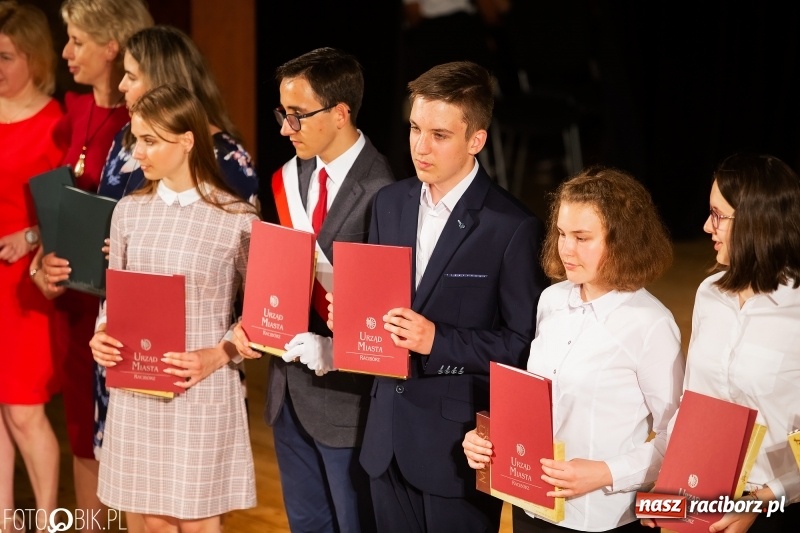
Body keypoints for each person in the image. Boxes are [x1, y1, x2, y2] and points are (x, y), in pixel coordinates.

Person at [341, 60, 547, 533]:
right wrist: (350, 317)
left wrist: (438, 341)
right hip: (384, 440)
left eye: (439, 135)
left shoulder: (512, 227)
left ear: (476, 140)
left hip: (456, 450)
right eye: (415, 128)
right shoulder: (389, 203)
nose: (420, 146)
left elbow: (523, 346)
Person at [463, 167, 684, 533]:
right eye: (562, 234)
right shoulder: (551, 300)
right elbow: (537, 405)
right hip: (530, 505)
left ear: (623, 240)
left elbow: (676, 437)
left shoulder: (651, 324)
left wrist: (605, 473)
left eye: (582, 238)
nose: (566, 249)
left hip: (599, 518)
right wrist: (488, 437)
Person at [231, 47, 394, 533]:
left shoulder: (386, 192)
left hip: (347, 400)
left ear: (340, 113)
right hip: (287, 393)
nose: (286, 129)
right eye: (283, 114)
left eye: (298, 115)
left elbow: (387, 312)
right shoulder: (288, 178)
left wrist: (336, 349)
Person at [89, 84, 258, 532]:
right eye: (136, 139)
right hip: (137, 387)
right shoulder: (128, 211)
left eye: (150, 140)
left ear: (187, 140)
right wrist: (102, 334)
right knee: (152, 522)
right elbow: (114, 298)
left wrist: (219, 354)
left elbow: (262, 316)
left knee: (199, 523)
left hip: (202, 389)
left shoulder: (237, 218)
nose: (137, 152)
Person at [28, 0, 152, 523]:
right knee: (83, 437)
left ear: (112, 46)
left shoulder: (145, 122)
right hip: (74, 307)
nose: (65, 53)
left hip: (125, 309)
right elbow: (57, 210)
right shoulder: (73, 111)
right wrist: (41, 263)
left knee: (136, 449)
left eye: (77, 41)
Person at [655, 153, 800, 533]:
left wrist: (763, 499)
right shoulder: (709, 295)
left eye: (718, 215)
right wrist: (671, 481)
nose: (707, 226)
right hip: (707, 498)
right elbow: (694, 403)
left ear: (756, 221)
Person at [0, 2, 63, 530]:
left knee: (23, 410)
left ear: (34, 59)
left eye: (5, 57)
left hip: (25, 284)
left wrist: (30, 236)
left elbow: (70, 212)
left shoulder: (55, 123)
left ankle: (47, 520)